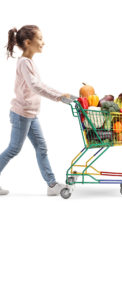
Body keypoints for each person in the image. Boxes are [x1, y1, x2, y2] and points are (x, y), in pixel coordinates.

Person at [2, 25, 73, 197]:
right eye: (40, 39)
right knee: (13, 149)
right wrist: (57, 97)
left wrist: (61, 95)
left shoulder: (30, 62)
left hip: (30, 115)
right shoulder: (24, 63)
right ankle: (51, 183)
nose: (43, 42)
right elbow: (35, 87)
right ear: (28, 42)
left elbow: (40, 85)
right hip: (21, 115)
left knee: (41, 147)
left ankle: (51, 184)